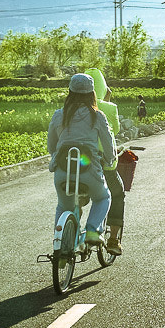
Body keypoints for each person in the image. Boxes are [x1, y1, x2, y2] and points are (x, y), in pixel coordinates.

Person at [47, 73, 114, 247]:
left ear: (69, 92)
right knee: (103, 197)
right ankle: (92, 230)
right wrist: (110, 159)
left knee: (64, 206)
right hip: (89, 170)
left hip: (63, 171)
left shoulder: (58, 115)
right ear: (92, 93)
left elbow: (51, 146)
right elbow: (108, 145)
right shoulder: (97, 116)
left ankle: (61, 248)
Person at [86, 68, 126, 254]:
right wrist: (107, 101)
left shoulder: (71, 108)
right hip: (103, 164)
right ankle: (112, 240)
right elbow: (114, 131)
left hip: (78, 163)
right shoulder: (109, 108)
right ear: (103, 88)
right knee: (117, 194)